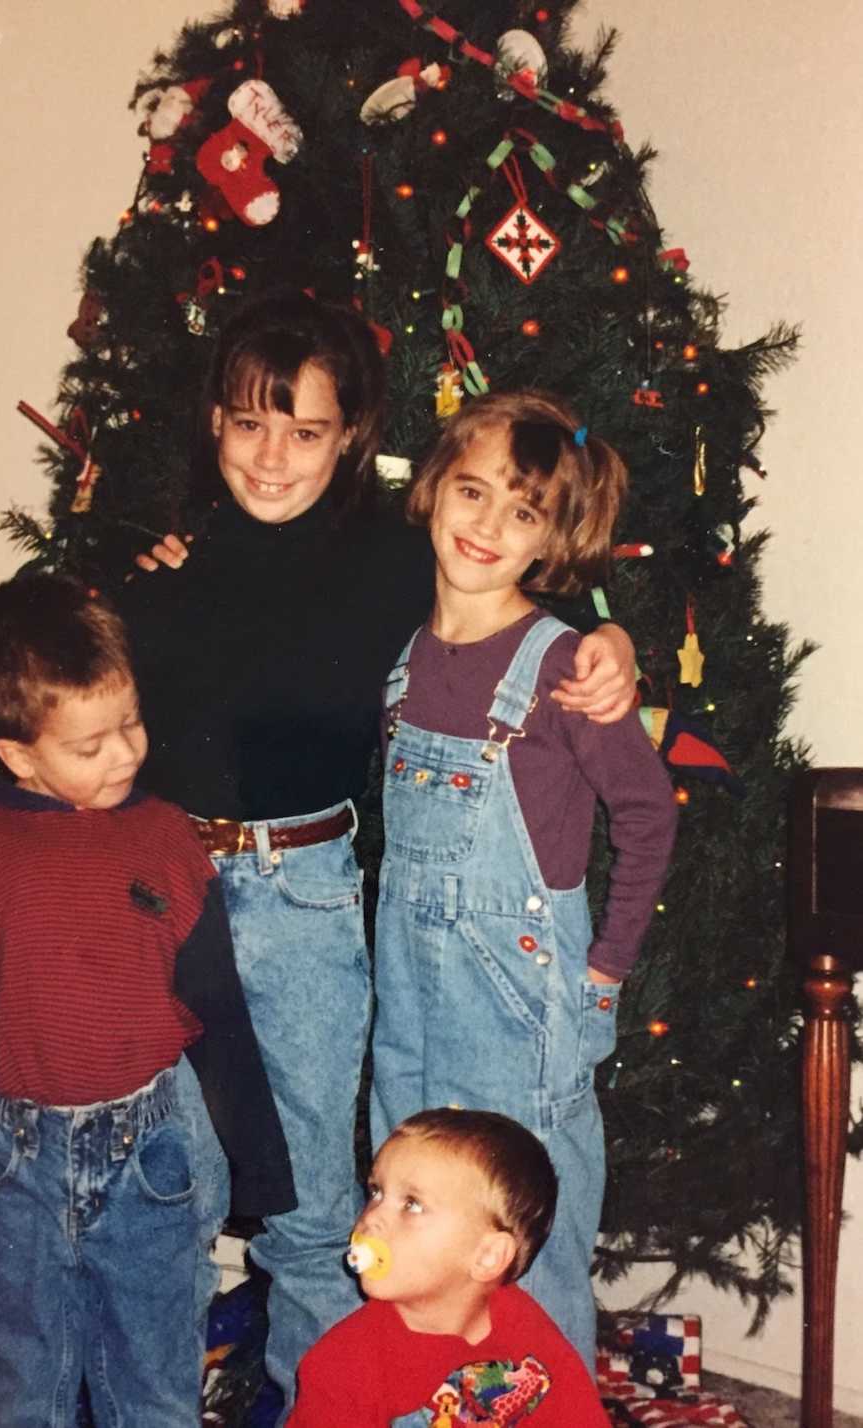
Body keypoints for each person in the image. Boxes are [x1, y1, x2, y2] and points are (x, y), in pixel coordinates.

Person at [119, 290, 638, 1413]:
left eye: (307, 429)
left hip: (305, 898)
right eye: (253, 422)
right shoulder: (156, 563)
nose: (274, 454)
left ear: (351, 435)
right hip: (162, 893)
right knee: (164, 1192)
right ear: (215, 421)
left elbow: (521, 583)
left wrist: (614, 636)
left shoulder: (395, 565)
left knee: (314, 1210)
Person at [370, 392, 678, 1372]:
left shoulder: (566, 668)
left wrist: (607, 971)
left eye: (522, 512)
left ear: (550, 539)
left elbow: (648, 814)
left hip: (522, 1014)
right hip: (408, 1013)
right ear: (432, 491)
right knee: (415, 1249)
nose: (488, 527)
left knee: (522, 1273)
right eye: (472, 492)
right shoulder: (405, 658)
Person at [0, 573, 295, 1428]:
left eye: (131, 725)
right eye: (90, 745)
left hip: (146, 1153)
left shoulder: (164, 837)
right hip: (12, 1160)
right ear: (17, 755)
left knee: (152, 1379)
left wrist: (257, 1166)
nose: (124, 755)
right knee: (20, 1382)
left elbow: (217, 1012)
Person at [286, 1108, 611, 1427]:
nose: (371, 1217)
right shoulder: (342, 1365)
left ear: (487, 1257)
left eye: (412, 1204)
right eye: (376, 1192)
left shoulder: (523, 1327)